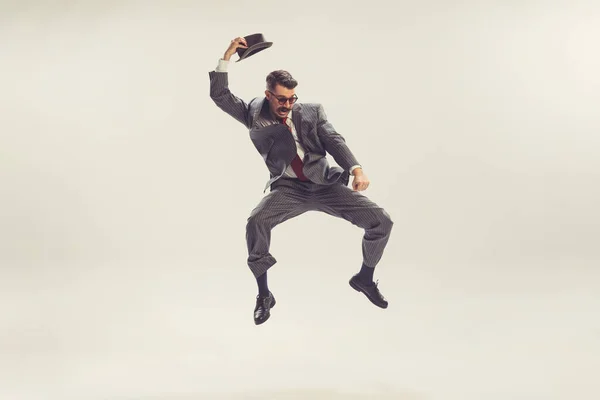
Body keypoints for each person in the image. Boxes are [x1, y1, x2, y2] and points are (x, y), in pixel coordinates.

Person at [209, 36, 394, 325]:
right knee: (256, 222)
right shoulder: (253, 114)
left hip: (325, 185)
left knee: (381, 221)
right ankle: (263, 295)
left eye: (292, 98)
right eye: (282, 99)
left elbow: (333, 139)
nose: (287, 104)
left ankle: (364, 279)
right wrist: (226, 57)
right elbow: (220, 96)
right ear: (268, 95)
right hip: (288, 189)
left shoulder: (310, 111)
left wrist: (356, 169)